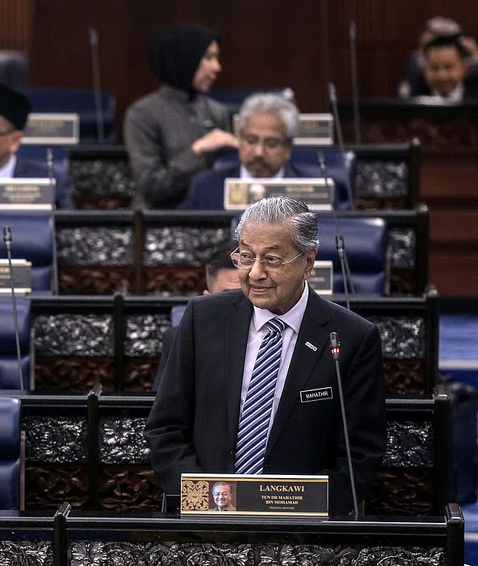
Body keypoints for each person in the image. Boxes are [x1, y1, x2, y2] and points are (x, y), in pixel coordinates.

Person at [144, 196, 386, 516]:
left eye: (271, 260)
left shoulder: (353, 337)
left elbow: (361, 455)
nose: (255, 273)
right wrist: (208, 504)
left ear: (308, 261)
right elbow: (165, 428)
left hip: (303, 527)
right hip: (208, 520)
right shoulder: (202, 319)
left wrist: (300, 511)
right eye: (246, 257)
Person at [124, 23, 237, 209]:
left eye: (217, 58)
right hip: (160, 218)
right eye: (208, 57)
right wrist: (198, 150)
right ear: (185, 58)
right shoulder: (142, 114)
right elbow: (152, 186)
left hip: (209, 214)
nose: (217, 67)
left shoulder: (218, 111)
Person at [177, 94, 350, 210]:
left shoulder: (317, 192)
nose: (259, 152)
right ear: (239, 138)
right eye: (251, 140)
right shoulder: (206, 187)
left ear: (288, 148)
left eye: (272, 143)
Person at [152, 240, 242, 390]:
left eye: (245, 294)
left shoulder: (275, 337)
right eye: (229, 296)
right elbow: (164, 399)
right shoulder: (181, 339)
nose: (240, 303)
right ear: (208, 299)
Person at [406, 35, 478, 100]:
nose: (442, 75)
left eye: (448, 67)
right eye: (434, 68)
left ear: (464, 68)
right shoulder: (411, 100)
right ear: (424, 70)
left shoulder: (475, 99)